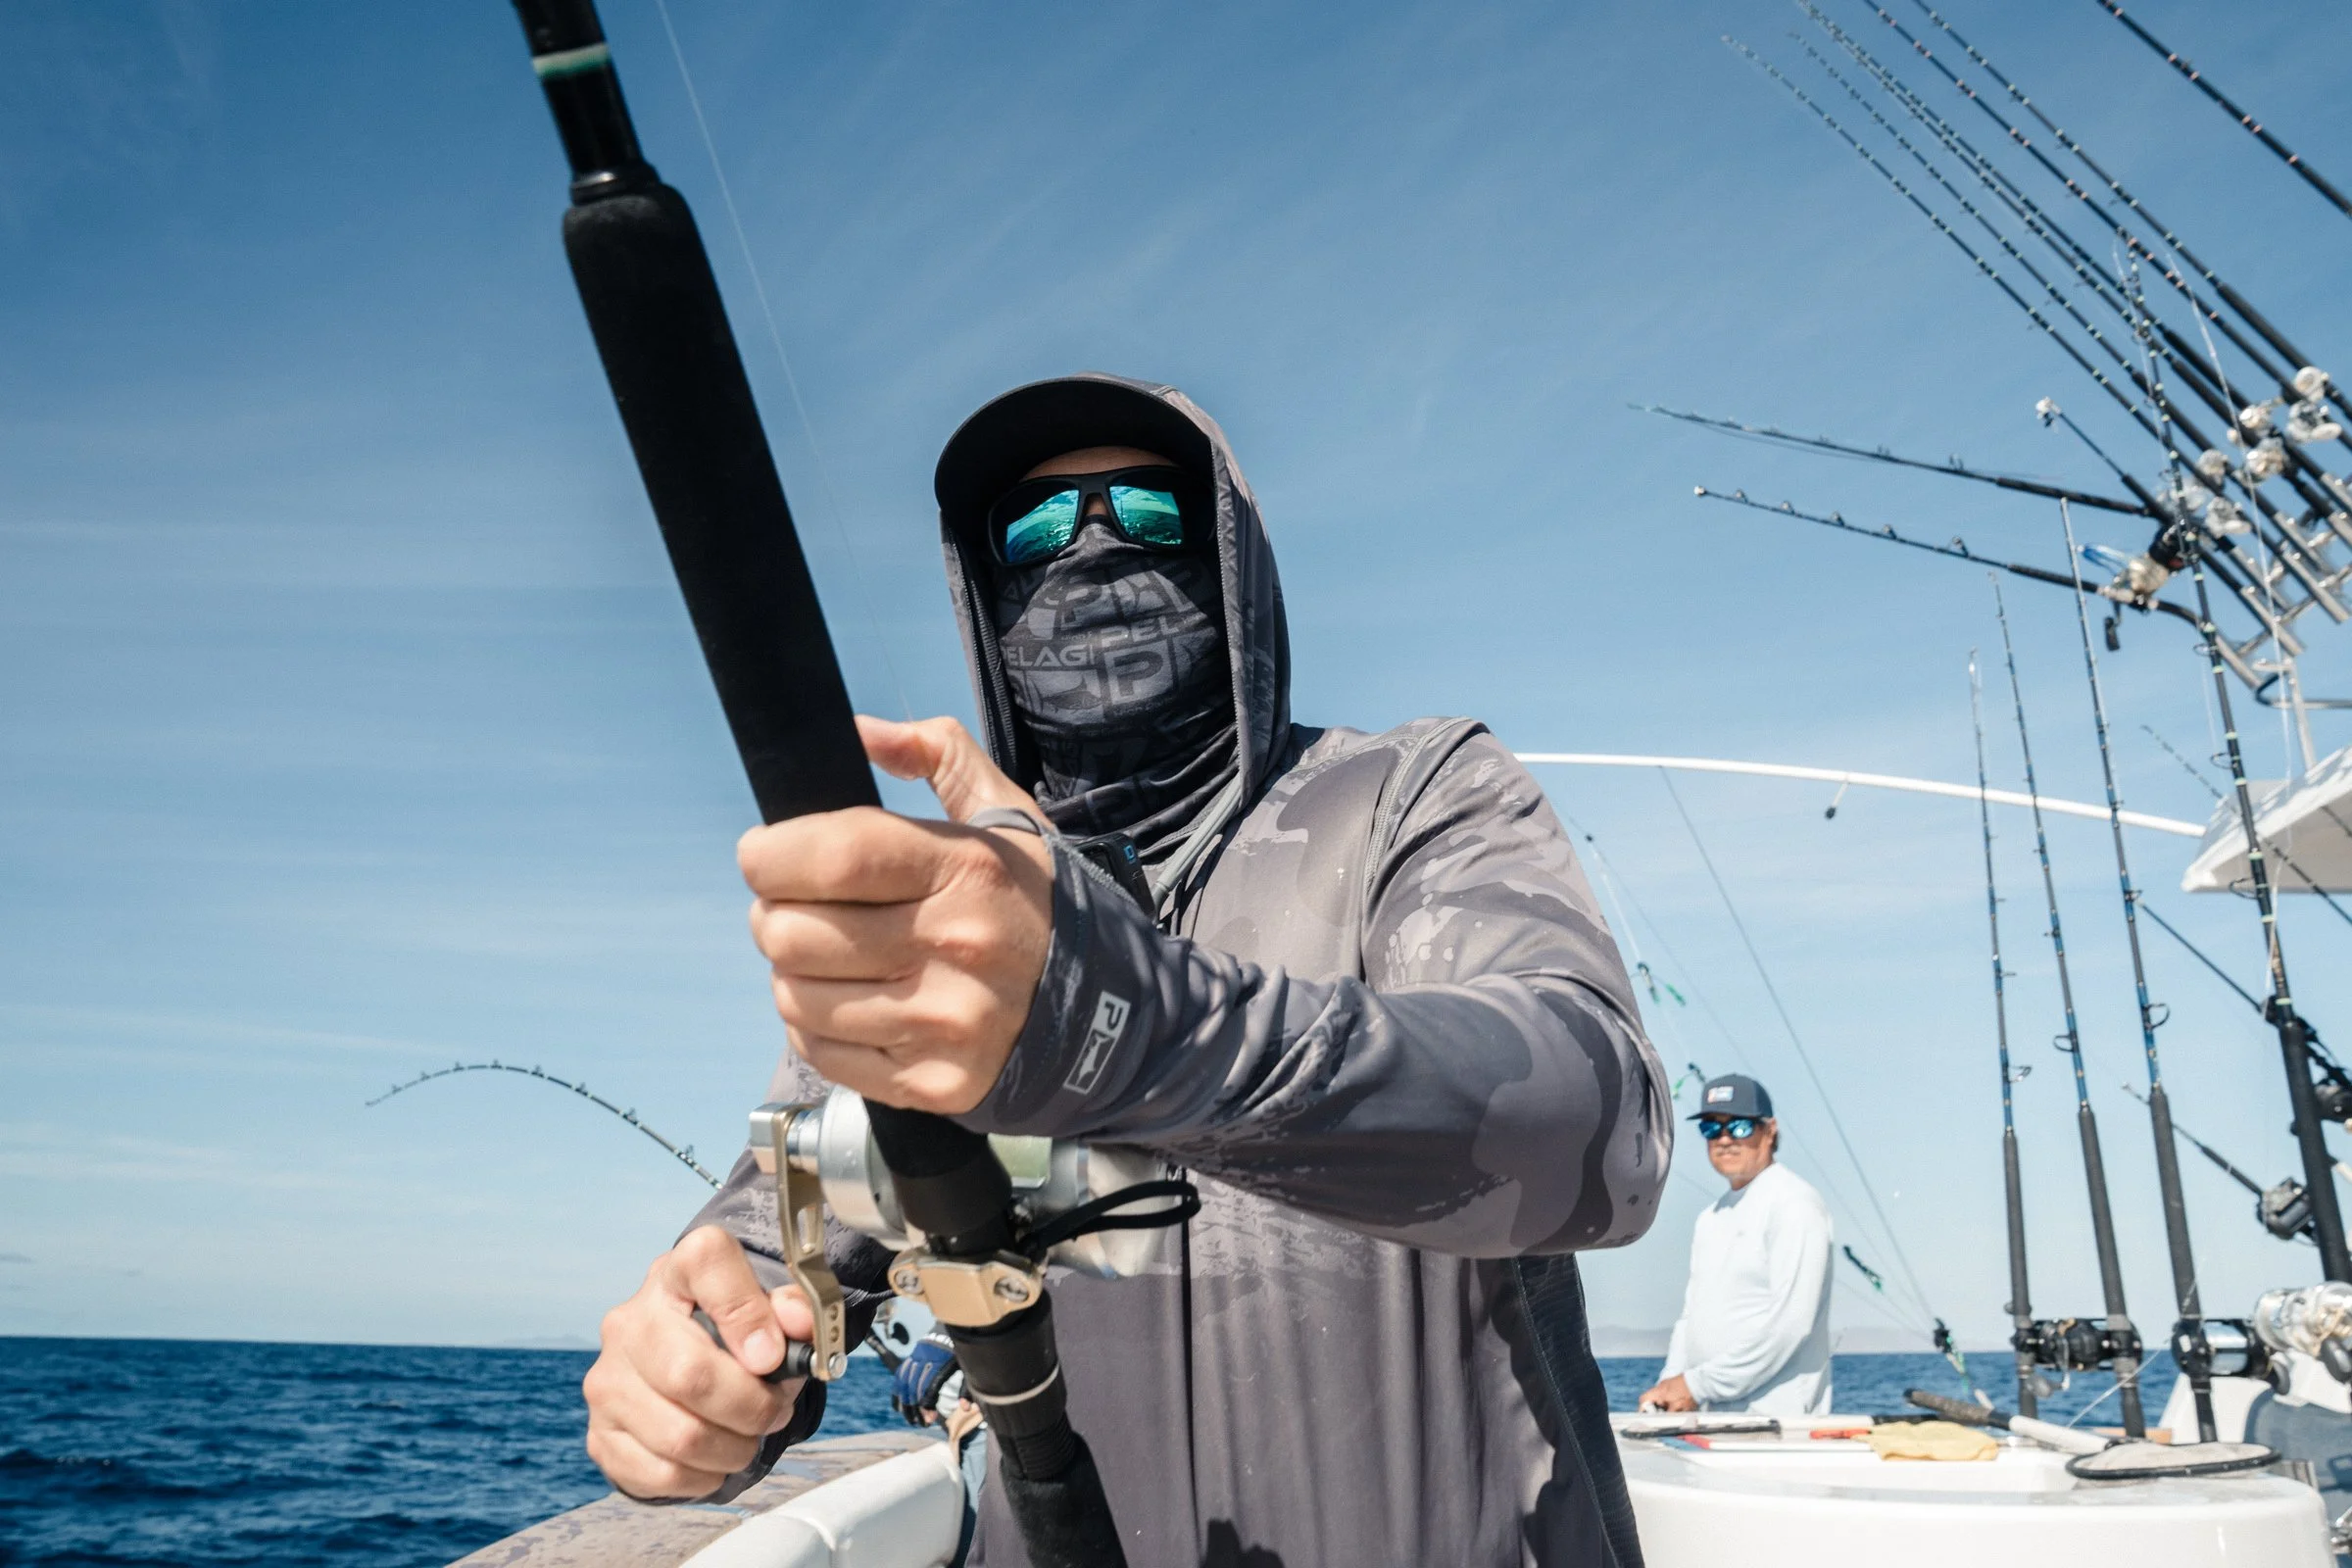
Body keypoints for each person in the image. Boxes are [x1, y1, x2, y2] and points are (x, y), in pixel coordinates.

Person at [577, 372, 1673, 1567]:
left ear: (1231, 560)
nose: (1092, 547)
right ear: (984, 592)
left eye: (1150, 510)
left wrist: (1126, 1027)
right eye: (1035, 526)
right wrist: (696, 1377)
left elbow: (1598, 1132)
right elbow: (779, 1247)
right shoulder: (951, 929)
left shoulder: (1414, 793)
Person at [1639, 1074, 1834, 1417]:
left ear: (1769, 1131)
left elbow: (1791, 1325)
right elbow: (1690, 1318)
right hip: (1711, 1416)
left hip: (1779, 1421)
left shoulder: (1794, 1204)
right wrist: (1670, 1384)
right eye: (1712, 1128)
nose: (1725, 1139)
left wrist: (1696, 1386)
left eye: (1740, 1127)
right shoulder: (1710, 1218)